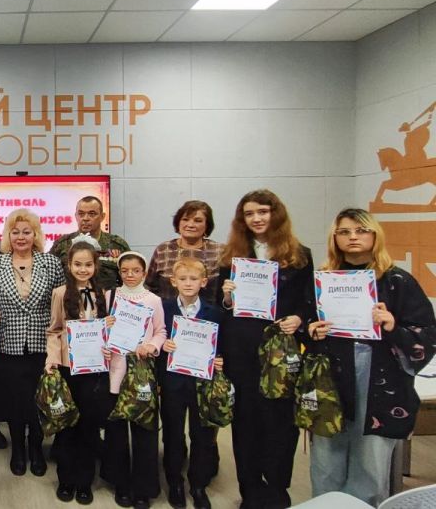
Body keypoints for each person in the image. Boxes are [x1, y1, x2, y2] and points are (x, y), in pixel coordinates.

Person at [306, 208, 436, 506]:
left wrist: (392, 327)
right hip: (331, 378)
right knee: (326, 457)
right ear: (335, 238)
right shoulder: (324, 280)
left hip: (379, 378)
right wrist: (312, 330)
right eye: (344, 232)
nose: (353, 237)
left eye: (361, 230)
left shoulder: (397, 281)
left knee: (371, 461)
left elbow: (427, 334)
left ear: (375, 235)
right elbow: (305, 323)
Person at [217, 189, 313, 509]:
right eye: (249, 213)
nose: (256, 218)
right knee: (245, 419)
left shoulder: (300, 254)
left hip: (280, 349)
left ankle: (277, 486)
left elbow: (309, 301)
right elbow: (221, 306)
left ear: (275, 214)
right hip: (241, 346)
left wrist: (299, 318)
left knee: (281, 420)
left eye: (262, 211)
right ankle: (250, 488)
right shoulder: (231, 255)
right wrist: (227, 296)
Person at [0, 209, 65, 477]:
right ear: (8, 235)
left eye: (26, 232)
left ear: (36, 235)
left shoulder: (51, 263)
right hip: (8, 342)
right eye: (15, 232)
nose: (21, 237)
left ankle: (36, 448)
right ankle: (18, 450)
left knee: (37, 400)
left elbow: (61, 304)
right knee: (14, 401)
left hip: (42, 343)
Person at [45, 240, 114, 505]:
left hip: (94, 369)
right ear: (69, 265)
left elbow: (109, 332)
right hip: (67, 367)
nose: (83, 269)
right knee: (67, 425)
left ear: (95, 266)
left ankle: (84, 482)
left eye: (88, 264)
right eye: (77, 264)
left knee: (89, 426)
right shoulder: (60, 293)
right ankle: (66, 479)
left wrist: (109, 328)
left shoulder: (104, 294)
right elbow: (54, 330)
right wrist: (52, 359)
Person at [100, 252, 166, 509]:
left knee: (144, 432)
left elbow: (161, 331)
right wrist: (104, 332)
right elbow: (100, 330)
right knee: (116, 432)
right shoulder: (110, 296)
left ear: (144, 272)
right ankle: (121, 483)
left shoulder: (153, 300)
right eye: (124, 270)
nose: (129, 275)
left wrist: (152, 346)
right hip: (115, 370)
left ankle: (143, 488)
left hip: (141, 373)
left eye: (135, 270)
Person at [158, 258, 224, 509]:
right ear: (173, 281)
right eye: (183, 279)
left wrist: (219, 359)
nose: (188, 283)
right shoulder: (163, 309)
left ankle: (198, 485)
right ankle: (175, 482)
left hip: (201, 384)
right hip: (172, 382)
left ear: (203, 282)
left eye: (193, 279)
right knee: (173, 434)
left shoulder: (214, 312)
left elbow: (221, 345)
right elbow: (154, 336)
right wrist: (162, 345)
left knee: (202, 436)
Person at [145, 200, 224, 305]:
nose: (190, 225)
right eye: (185, 219)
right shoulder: (163, 250)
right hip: (166, 313)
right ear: (178, 223)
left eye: (198, 221)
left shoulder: (220, 251)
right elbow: (149, 286)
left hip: (210, 313)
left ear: (207, 225)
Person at [49, 196, 130, 289]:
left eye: (92, 214)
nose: (85, 218)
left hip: (108, 296)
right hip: (70, 296)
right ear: (76, 216)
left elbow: (132, 276)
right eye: (81, 214)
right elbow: (49, 276)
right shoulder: (62, 244)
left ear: (102, 216)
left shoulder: (117, 245)